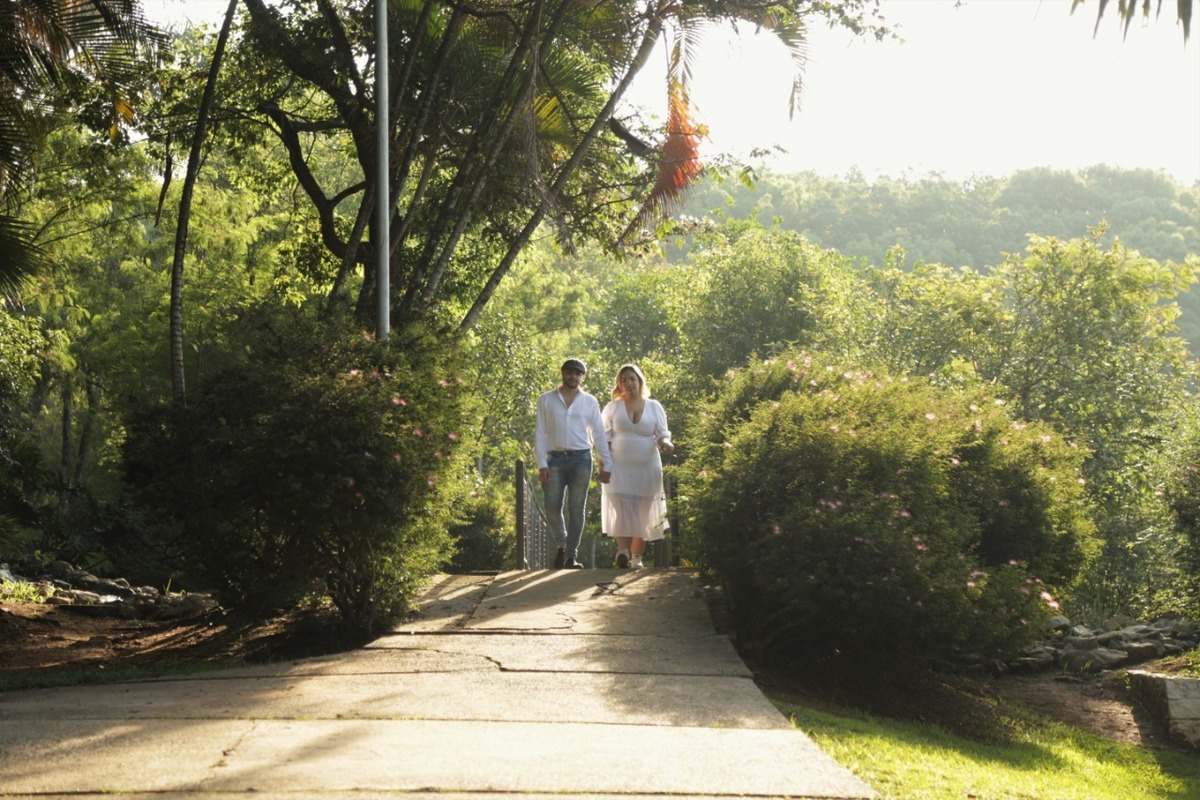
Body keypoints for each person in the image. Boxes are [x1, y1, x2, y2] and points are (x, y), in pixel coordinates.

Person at [534, 358, 612, 569]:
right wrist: (542, 464)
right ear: (562, 373)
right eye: (570, 373)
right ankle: (562, 543)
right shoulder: (546, 400)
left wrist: (607, 464)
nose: (573, 377)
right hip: (554, 459)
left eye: (578, 374)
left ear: (582, 377)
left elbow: (598, 434)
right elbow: (540, 433)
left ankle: (570, 556)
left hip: (581, 458)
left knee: (577, 508)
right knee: (551, 507)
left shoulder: (589, 401)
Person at [600, 364, 673, 569]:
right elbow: (602, 436)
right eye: (623, 380)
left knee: (644, 509)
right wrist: (603, 463)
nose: (628, 383)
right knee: (621, 508)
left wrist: (666, 443)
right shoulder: (612, 407)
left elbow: (661, 433)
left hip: (647, 467)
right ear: (619, 384)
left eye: (631, 379)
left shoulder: (654, 406)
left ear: (640, 381)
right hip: (618, 467)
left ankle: (636, 557)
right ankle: (623, 551)